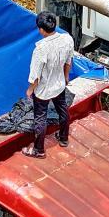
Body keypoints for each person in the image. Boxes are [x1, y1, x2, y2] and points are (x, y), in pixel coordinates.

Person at [22, 11, 75, 158]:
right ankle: (63, 138)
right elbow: (68, 61)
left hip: (44, 90)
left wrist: (30, 89)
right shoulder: (67, 39)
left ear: (41, 30)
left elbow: (35, 76)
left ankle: (38, 150)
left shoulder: (41, 49)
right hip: (59, 84)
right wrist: (65, 77)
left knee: (40, 118)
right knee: (62, 109)